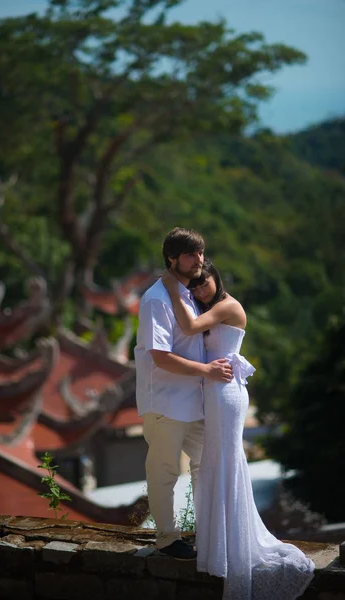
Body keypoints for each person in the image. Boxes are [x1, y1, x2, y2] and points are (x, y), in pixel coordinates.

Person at [161, 259, 315, 600]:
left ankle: (234, 547)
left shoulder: (228, 306)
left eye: (204, 282)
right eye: (194, 286)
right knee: (216, 462)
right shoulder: (212, 308)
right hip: (213, 390)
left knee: (227, 462)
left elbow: (188, 328)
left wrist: (173, 290)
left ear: (217, 278)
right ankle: (220, 544)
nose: (200, 289)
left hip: (225, 391)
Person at [134, 228, 234, 560]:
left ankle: (208, 533)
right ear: (172, 259)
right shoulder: (155, 299)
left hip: (194, 399)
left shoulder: (191, 295)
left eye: (201, 253)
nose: (199, 260)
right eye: (192, 254)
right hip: (164, 399)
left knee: (208, 465)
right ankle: (167, 539)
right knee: (164, 471)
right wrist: (207, 371)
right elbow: (160, 357)